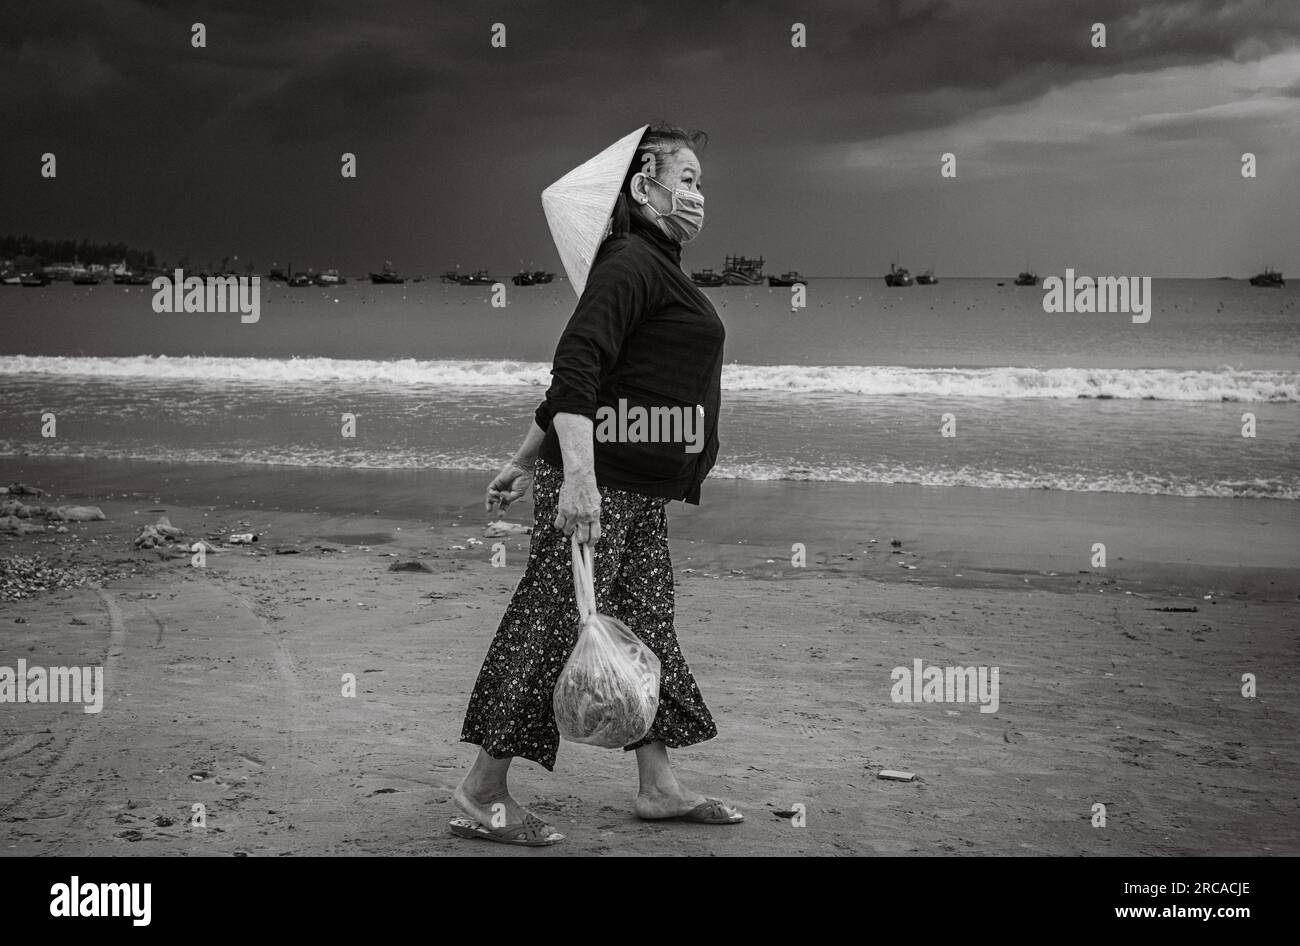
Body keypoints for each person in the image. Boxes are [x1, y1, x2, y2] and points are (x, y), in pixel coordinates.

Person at [451, 123, 743, 846]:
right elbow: (575, 368)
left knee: (645, 627)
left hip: (635, 491)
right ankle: (481, 792)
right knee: (551, 627)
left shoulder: (654, 264)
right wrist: (575, 479)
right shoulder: (630, 262)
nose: (698, 196)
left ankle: (658, 786)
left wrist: (523, 461)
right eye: (688, 180)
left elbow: (595, 383)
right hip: (602, 488)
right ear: (643, 186)